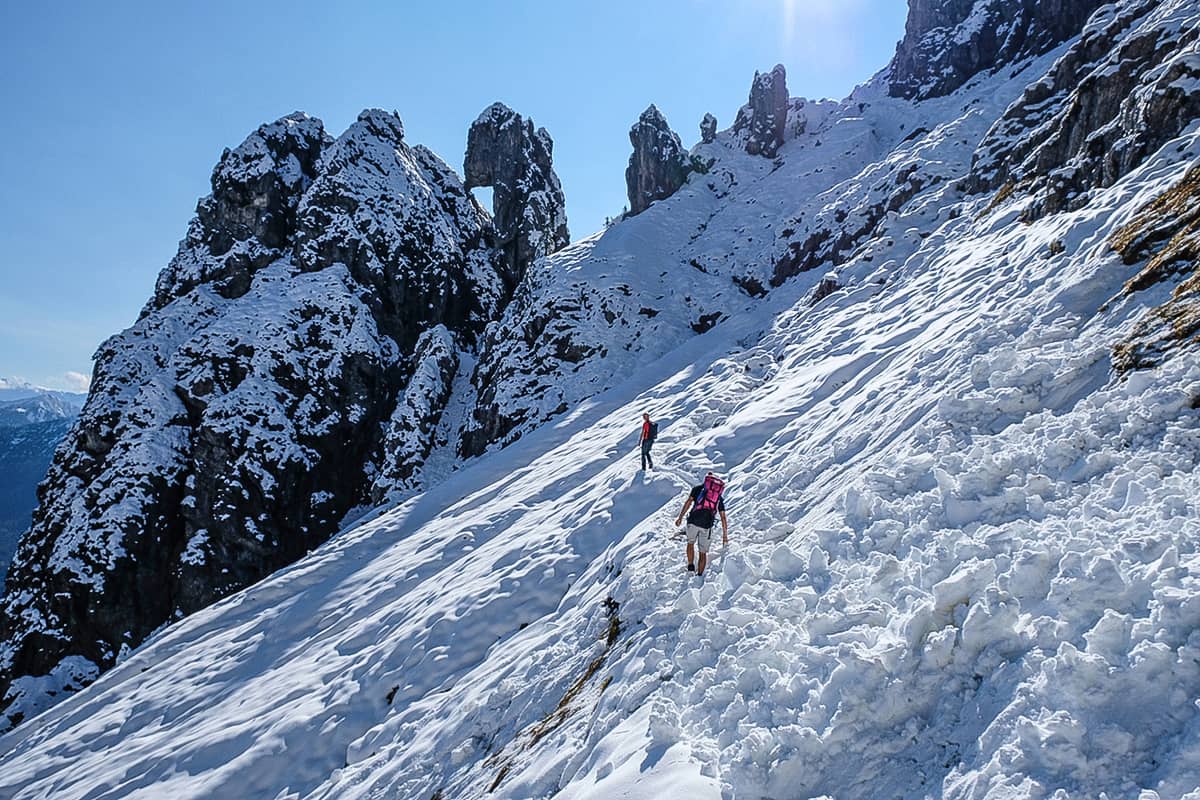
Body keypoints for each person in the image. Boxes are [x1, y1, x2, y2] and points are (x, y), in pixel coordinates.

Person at [674, 472, 728, 576]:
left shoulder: (697, 489)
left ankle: (690, 567)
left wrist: (680, 517)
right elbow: (723, 517)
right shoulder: (718, 497)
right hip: (707, 526)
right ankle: (699, 575)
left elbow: (688, 502)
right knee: (702, 552)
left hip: (693, 521)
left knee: (690, 543)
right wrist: (725, 535)